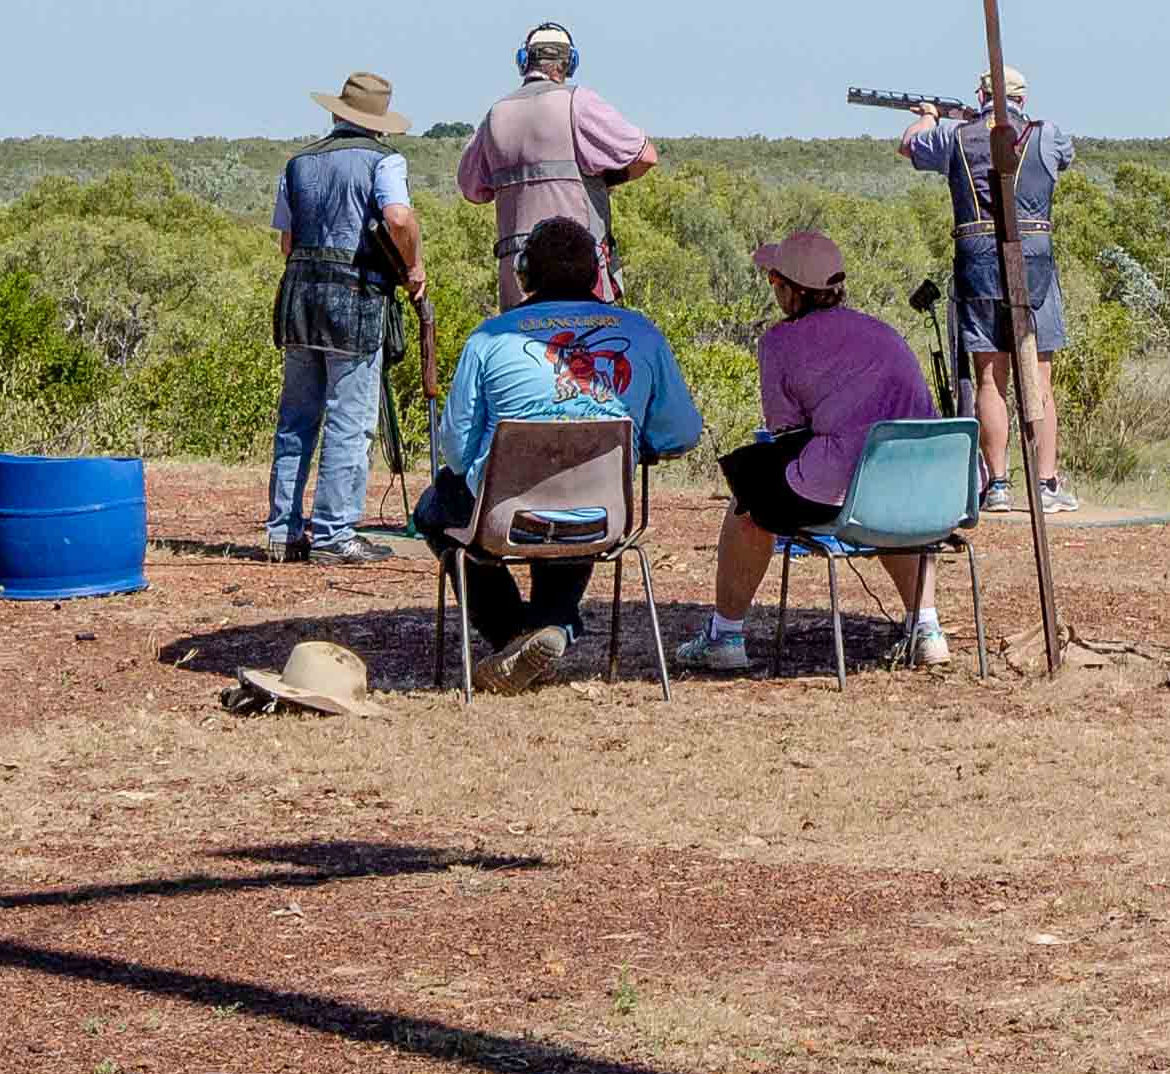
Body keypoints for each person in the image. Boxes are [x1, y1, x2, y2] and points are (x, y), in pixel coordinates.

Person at [409, 214, 702, 691]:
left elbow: (458, 455)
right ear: (595, 276)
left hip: (503, 517)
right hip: (602, 518)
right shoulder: (643, 334)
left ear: (524, 275)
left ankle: (512, 632)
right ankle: (550, 626)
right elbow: (683, 433)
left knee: (433, 508)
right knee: (576, 497)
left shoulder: (489, 339)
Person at [682, 228, 950, 675]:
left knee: (747, 502)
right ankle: (926, 628)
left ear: (793, 291)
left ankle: (724, 635)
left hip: (845, 490)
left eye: (774, 281)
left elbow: (786, 432)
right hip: (923, 487)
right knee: (888, 499)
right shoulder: (883, 331)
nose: (773, 290)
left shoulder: (779, 343)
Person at [265, 70, 421, 563]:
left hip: (298, 300)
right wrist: (413, 267)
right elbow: (398, 218)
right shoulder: (385, 160)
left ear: (338, 113)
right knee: (349, 421)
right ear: (377, 121)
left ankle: (283, 531)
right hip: (355, 300)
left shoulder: (298, 163)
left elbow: (287, 243)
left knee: (296, 419)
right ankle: (334, 534)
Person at [901, 63, 1072, 506]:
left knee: (990, 380)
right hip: (1034, 261)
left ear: (980, 97)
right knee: (1039, 378)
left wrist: (930, 116)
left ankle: (997, 485)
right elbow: (1064, 157)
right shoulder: (1047, 134)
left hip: (977, 262)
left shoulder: (955, 137)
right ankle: (1046, 484)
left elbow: (909, 144)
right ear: (1022, 98)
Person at [454, 20, 657, 302]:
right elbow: (646, 156)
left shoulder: (495, 115)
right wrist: (603, 181)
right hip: (580, 273)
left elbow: (471, 190)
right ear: (569, 62)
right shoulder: (578, 102)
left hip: (517, 278)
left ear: (524, 61)